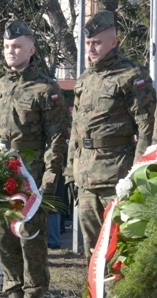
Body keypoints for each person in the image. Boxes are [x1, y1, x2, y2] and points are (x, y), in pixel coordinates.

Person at [0, 20, 69, 298]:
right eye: (7, 47)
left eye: (17, 46)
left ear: (31, 49)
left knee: (30, 237)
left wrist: (49, 178)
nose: (11, 51)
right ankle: (14, 294)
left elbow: (57, 138)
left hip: (30, 177)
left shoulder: (46, 89)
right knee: (3, 236)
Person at [66, 10, 156, 258]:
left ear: (114, 42)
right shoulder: (84, 79)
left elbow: (146, 127)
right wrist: (70, 171)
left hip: (117, 176)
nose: (91, 49)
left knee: (121, 249)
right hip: (85, 179)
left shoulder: (132, 75)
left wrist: (136, 175)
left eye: (97, 43)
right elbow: (76, 129)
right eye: (88, 43)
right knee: (93, 252)